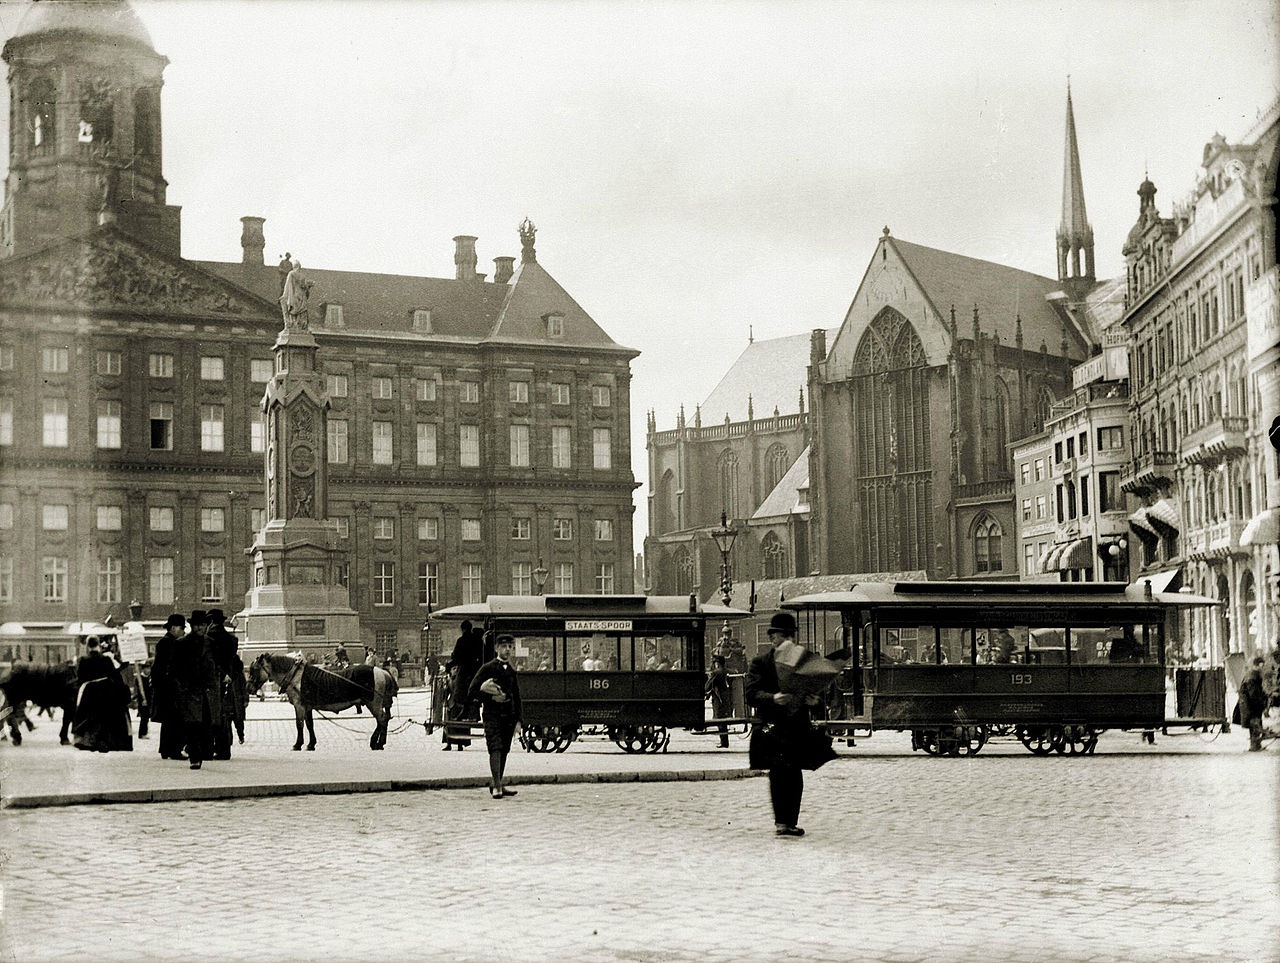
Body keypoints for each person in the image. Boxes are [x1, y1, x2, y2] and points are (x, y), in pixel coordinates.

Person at [744, 612, 822, 837]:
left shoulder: (804, 662)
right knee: (779, 772)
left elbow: (815, 693)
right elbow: (750, 693)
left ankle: (791, 822)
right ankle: (781, 822)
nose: (783, 640)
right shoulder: (761, 663)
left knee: (795, 775)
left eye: (788, 636)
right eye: (780, 636)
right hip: (772, 727)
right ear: (773, 639)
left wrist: (813, 700)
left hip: (796, 727)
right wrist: (772, 698)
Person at [468, 634, 523, 799]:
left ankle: (497, 783)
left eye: (510, 647)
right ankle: (498, 786)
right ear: (497, 648)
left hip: (509, 716)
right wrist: (491, 698)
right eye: (504, 646)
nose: (507, 649)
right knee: (495, 747)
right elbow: (472, 691)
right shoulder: (488, 668)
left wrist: (519, 720)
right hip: (492, 715)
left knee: (504, 749)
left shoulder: (512, 671)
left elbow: (517, 697)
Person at [170, 611, 222, 769]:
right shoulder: (181, 643)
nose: (200, 628)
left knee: (206, 724)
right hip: (190, 690)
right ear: (192, 626)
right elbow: (173, 669)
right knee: (193, 725)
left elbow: (217, 664)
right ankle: (194, 757)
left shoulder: (211, 643)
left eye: (203, 625)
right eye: (197, 625)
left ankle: (202, 753)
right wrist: (182, 686)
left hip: (207, 691)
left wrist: (215, 683)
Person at [71, 636, 133, 752]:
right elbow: (113, 675)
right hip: (105, 691)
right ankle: (106, 741)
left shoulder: (83, 660)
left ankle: (88, 741)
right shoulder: (106, 659)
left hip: (89, 692)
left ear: (88, 646)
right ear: (98, 645)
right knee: (105, 717)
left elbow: (80, 677)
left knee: (87, 716)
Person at [207, 609, 246, 759]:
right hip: (229, 682)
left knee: (212, 716)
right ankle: (224, 750)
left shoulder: (209, 638)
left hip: (214, 680)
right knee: (225, 716)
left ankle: (211, 748)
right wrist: (230, 675)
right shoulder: (232, 640)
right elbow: (237, 663)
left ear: (210, 622)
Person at [151, 613, 187, 761]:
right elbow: (168, 667)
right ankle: (174, 750)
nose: (183, 631)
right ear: (173, 628)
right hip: (170, 687)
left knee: (168, 721)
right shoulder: (170, 643)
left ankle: (166, 750)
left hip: (165, 687)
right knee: (175, 720)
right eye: (181, 628)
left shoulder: (165, 642)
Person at [1237, 655, 1267, 752]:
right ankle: (1255, 746)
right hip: (1251, 706)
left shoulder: (1252, 674)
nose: (1263, 668)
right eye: (1262, 666)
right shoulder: (1252, 676)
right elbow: (1253, 694)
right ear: (1259, 665)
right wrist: (1261, 703)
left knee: (1255, 724)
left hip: (1250, 705)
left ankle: (1256, 745)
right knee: (1255, 724)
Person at [705, 654, 732, 748]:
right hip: (727, 697)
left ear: (717, 663)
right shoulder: (728, 671)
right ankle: (725, 741)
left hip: (718, 697)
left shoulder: (716, 672)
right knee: (723, 719)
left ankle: (723, 742)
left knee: (719, 718)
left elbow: (708, 686)